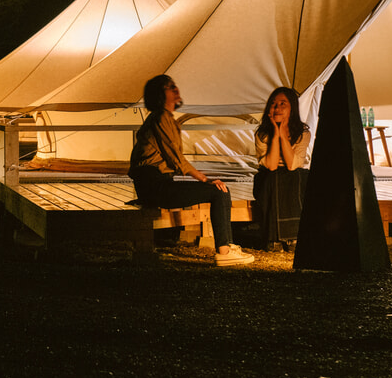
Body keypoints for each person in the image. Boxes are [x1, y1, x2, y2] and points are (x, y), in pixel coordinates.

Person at [128, 74, 253, 266]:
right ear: (160, 94)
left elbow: (175, 160)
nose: (176, 89)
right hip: (153, 185)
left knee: (221, 189)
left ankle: (227, 245)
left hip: (158, 182)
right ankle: (224, 252)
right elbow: (177, 159)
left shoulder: (167, 118)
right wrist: (204, 180)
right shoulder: (161, 117)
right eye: (170, 87)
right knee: (218, 191)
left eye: (174, 85)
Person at [252, 86, 312, 250]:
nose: (277, 108)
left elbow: (293, 165)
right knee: (274, 176)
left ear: (292, 108)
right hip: (268, 178)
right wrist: (275, 134)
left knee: (293, 175)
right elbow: (271, 166)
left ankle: (291, 236)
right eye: (273, 104)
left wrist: (284, 135)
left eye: (282, 104)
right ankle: (275, 238)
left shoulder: (303, 133)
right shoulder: (262, 134)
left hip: (294, 177)